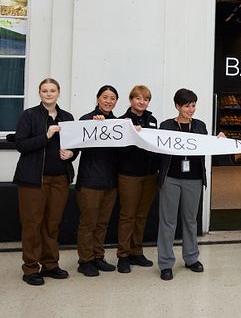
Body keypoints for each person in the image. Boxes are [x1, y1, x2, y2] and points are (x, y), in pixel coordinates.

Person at [13, 78, 77, 286]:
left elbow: (74, 144)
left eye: (52, 90)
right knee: (32, 223)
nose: (48, 94)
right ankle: (31, 268)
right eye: (44, 91)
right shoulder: (29, 116)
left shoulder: (67, 117)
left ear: (59, 93)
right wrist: (46, 135)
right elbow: (21, 144)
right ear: (39, 93)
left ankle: (50, 264)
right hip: (33, 180)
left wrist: (72, 154)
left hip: (60, 178)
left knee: (52, 224)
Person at [156, 89, 224, 281]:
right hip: (170, 178)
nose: (191, 109)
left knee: (190, 220)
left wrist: (219, 141)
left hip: (193, 179)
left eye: (193, 105)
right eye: (186, 105)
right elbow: (156, 146)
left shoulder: (200, 126)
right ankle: (166, 263)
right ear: (177, 106)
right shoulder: (166, 125)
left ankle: (191, 258)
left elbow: (208, 146)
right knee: (168, 222)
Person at [75, 85, 120, 277]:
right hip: (90, 181)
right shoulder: (87, 120)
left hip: (111, 181)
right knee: (88, 223)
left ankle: (98, 256)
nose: (108, 101)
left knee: (103, 223)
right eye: (105, 97)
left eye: (112, 98)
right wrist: (96, 125)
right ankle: (85, 261)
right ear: (98, 98)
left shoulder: (118, 124)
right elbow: (77, 144)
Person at [116, 85, 159, 273]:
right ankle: (123, 255)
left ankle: (137, 251)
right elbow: (119, 150)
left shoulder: (152, 120)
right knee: (128, 216)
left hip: (149, 175)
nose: (142, 102)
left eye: (146, 99)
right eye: (138, 98)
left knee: (141, 216)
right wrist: (133, 135)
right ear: (131, 100)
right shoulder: (121, 122)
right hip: (129, 175)